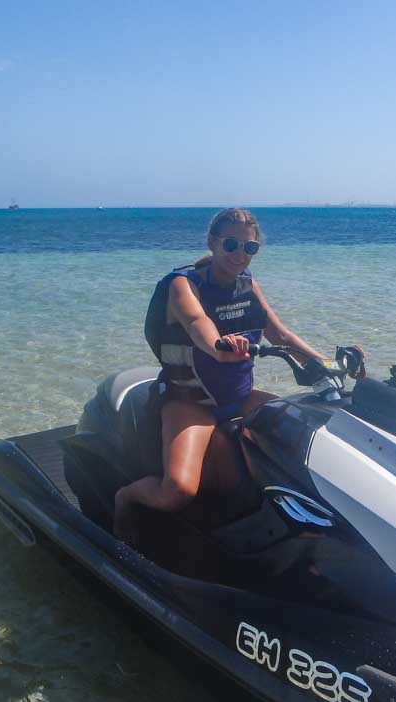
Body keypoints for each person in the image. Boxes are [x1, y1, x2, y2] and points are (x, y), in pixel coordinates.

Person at [113, 208, 325, 538]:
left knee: (308, 435)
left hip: (239, 397)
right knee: (177, 491)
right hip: (190, 401)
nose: (240, 254)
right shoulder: (183, 284)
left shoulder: (247, 284)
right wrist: (217, 345)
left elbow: (281, 336)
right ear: (212, 243)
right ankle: (126, 496)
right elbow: (197, 321)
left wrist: (327, 364)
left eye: (249, 247)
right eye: (231, 245)